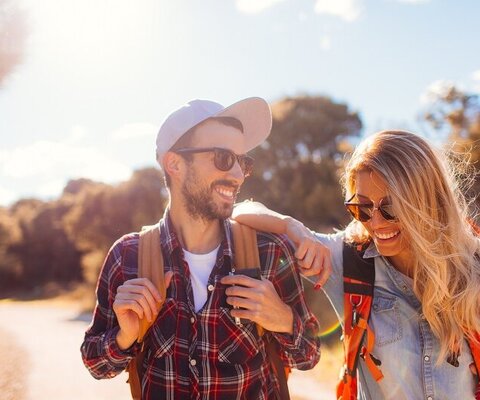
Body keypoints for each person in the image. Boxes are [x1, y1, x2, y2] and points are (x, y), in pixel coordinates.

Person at [80, 97, 321, 399]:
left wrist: (282, 319)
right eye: (223, 158)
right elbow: (95, 363)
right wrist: (125, 336)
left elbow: (309, 355)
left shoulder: (269, 253)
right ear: (175, 163)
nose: (236, 174)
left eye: (243, 162)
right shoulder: (127, 256)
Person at [233, 130, 480, 399]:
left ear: (427, 202)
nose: (375, 223)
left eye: (391, 208)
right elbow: (241, 212)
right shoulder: (347, 261)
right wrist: (293, 227)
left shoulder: (473, 265)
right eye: (361, 207)